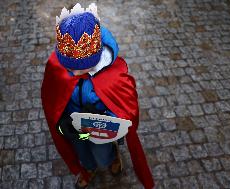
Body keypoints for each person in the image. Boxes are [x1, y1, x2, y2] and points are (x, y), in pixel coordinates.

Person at [41, 3, 154, 189]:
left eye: (81, 68)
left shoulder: (114, 76)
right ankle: (87, 169)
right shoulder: (59, 63)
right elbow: (52, 97)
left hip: (98, 128)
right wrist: (62, 122)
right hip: (74, 126)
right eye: (69, 67)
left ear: (95, 59)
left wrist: (106, 119)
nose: (74, 73)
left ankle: (111, 156)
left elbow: (125, 112)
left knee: (101, 153)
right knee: (81, 150)